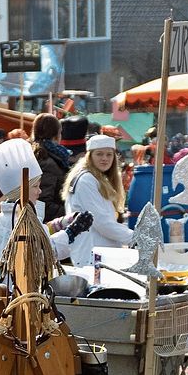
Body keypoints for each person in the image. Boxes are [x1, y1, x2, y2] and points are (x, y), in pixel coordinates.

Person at [60, 134, 133, 267]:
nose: (105, 158)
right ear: (90, 156)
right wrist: (135, 237)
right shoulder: (86, 180)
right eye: (99, 154)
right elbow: (101, 222)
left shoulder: (96, 179)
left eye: (109, 154)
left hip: (99, 254)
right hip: (94, 256)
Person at [32, 113, 71, 222]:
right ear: (56, 134)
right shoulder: (47, 162)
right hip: (50, 225)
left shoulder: (36, 153)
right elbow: (44, 204)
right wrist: (71, 212)